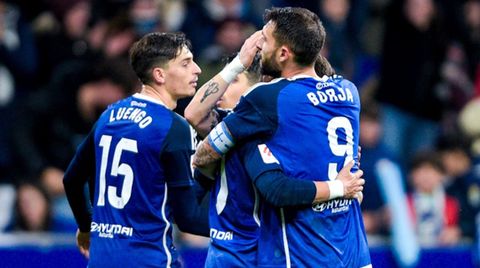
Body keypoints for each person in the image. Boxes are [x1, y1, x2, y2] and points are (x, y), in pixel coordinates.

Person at [193, 7, 371, 267]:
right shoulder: (348, 91)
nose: (258, 45)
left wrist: (203, 158)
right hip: (353, 249)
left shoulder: (267, 98)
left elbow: (206, 152)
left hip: (305, 249)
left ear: (284, 53)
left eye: (265, 39)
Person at [63, 32, 209, 267]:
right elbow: (188, 218)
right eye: (186, 63)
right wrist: (245, 228)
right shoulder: (173, 127)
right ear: (159, 74)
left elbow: (72, 179)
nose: (197, 69)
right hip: (148, 259)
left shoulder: (109, 115)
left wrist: (85, 226)